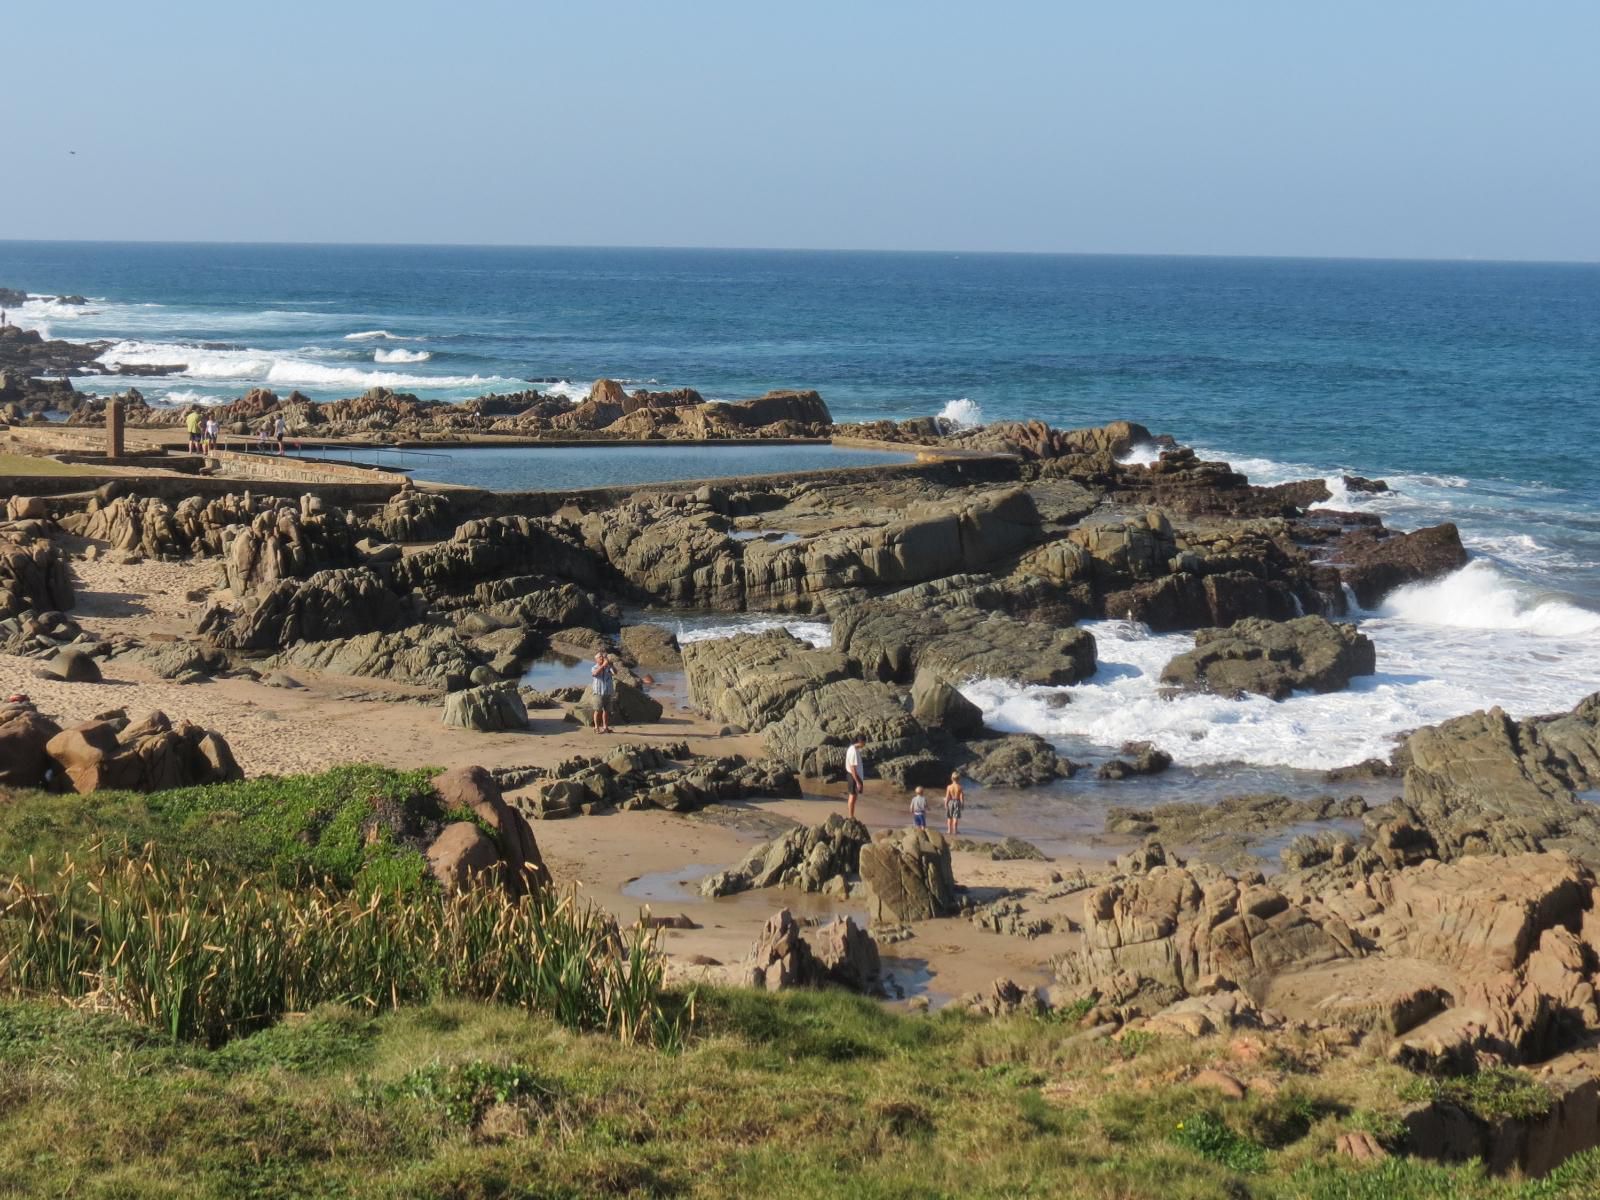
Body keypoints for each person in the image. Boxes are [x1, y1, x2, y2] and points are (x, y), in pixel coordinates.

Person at [590, 650, 615, 734]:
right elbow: (594, 674)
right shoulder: (594, 667)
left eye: (602, 656)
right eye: (599, 657)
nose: (602, 658)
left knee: (606, 711)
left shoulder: (608, 667)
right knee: (597, 710)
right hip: (598, 693)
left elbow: (615, 673)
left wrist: (611, 665)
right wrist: (602, 666)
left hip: (608, 692)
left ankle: (605, 727)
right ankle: (596, 727)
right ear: (596, 659)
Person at [843, 735, 865, 820]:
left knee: (853, 796)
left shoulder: (852, 748)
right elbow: (853, 768)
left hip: (853, 776)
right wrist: (858, 782)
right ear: (861, 742)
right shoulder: (854, 752)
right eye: (864, 742)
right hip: (853, 776)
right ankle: (851, 816)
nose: (864, 744)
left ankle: (851, 815)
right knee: (852, 797)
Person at [944, 771, 965, 837]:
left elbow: (947, 796)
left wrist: (945, 803)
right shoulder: (960, 787)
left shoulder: (949, 787)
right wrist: (962, 804)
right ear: (959, 779)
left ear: (951, 778)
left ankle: (949, 830)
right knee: (955, 817)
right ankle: (955, 830)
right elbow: (961, 797)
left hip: (950, 802)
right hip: (957, 802)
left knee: (949, 817)